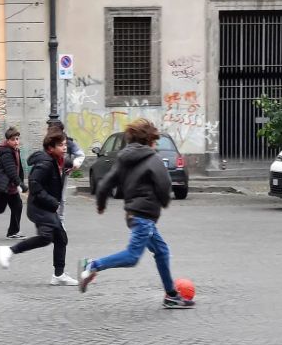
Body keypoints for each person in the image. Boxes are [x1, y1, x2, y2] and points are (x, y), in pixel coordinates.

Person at [77, 118, 194, 308]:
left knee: (162, 251)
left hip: (133, 214)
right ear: (149, 141)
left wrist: (101, 203)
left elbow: (106, 182)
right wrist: (164, 202)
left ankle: (171, 295)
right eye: (155, 141)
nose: (156, 145)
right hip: (144, 216)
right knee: (132, 257)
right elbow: (164, 185)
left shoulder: (124, 159)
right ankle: (92, 265)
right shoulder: (153, 159)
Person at [0, 126, 78, 286]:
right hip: (39, 207)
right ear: (50, 148)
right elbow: (34, 185)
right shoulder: (45, 164)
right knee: (46, 237)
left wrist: (72, 163)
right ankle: (9, 251)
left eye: (65, 145)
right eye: (61, 145)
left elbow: (64, 163)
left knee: (61, 238)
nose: (65, 148)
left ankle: (59, 275)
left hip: (46, 207)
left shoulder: (56, 160)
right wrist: (53, 202)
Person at [48, 122, 85, 224]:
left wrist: (74, 165)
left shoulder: (68, 142)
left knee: (62, 199)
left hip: (63, 174)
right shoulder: (48, 142)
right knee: (50, 198)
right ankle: (51, 220)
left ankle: (60, 221)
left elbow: (80, 154)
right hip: (50, 174)